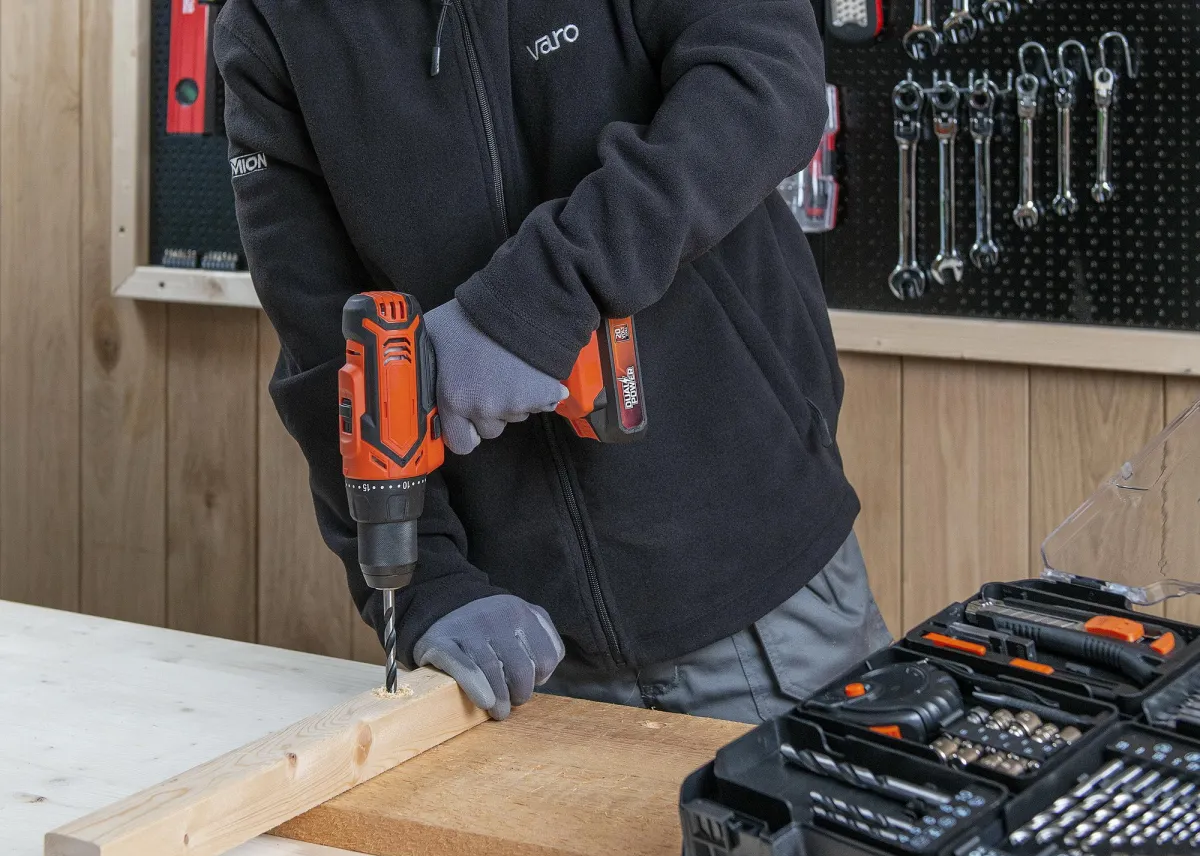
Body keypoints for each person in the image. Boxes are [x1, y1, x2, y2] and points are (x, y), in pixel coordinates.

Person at [214, 0, 891, 726]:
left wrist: (531, 305)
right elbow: (328, 348)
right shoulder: (268, 22)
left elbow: (765, 79)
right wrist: (427, 587)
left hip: (768, 603)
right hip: (514, 656)